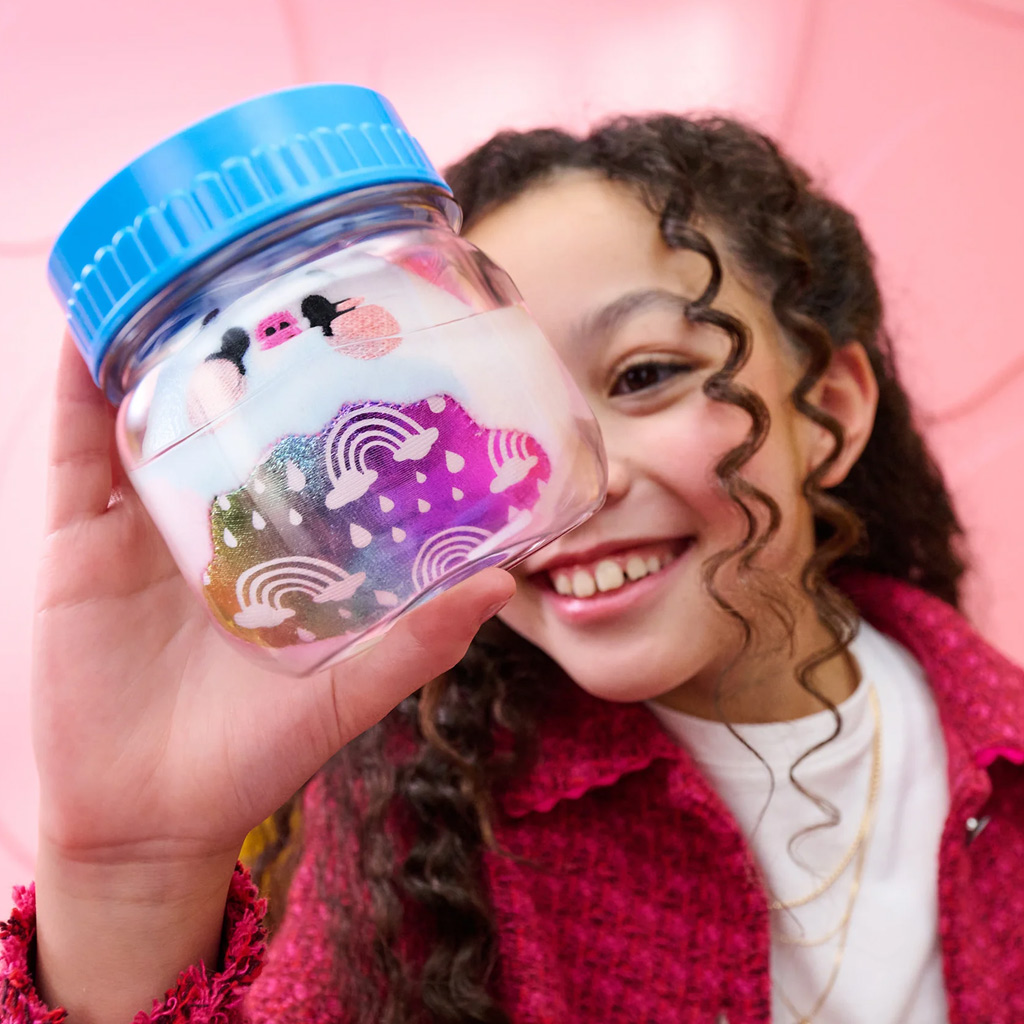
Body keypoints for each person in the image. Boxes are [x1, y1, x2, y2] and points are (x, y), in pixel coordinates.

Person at [4, 113, 1024, 1024]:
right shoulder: (413, 837)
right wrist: (127, 870)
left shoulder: (999, 752)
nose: (575, 459)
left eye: (646, 374)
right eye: (499, 393)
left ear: (829, 412)